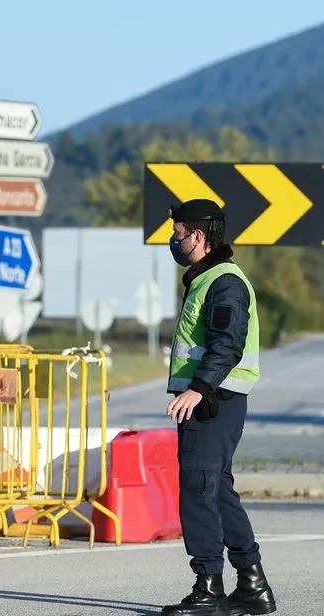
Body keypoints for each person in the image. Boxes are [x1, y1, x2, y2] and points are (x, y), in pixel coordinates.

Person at [161, 198, 276, 616]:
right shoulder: (206, 278)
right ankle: (252, 585)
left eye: (178, 235)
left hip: (214, 400)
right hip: (213, 397)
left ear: (198, 236)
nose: (174, 243)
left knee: (199, 490)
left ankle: (208, 588)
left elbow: (227, 343)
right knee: (217, 490)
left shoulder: (225, 282)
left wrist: (199, 389)